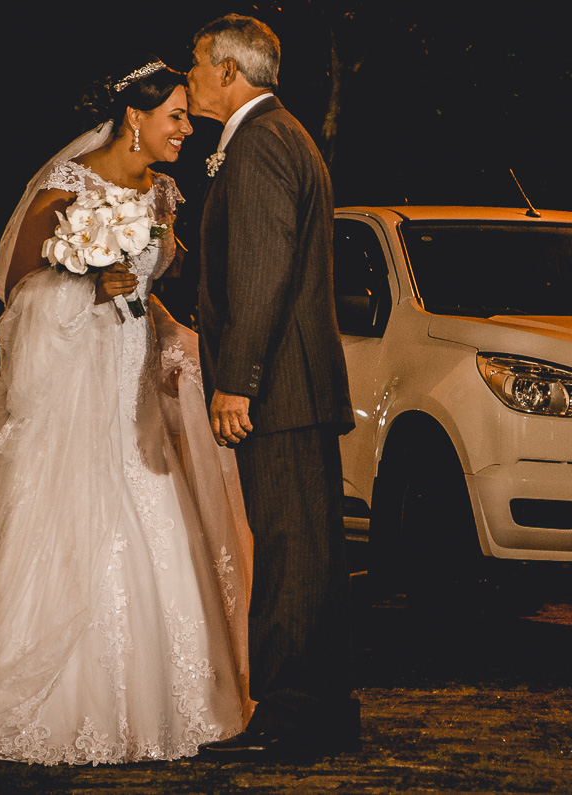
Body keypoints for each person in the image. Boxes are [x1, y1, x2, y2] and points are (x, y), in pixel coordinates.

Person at [0, 59, 254, 768]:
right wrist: (89, 281)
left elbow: (158, 276)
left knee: (152, 510)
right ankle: (34, 708)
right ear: (138, 117)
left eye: (189, 118)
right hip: (76, 378)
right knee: (64, 517)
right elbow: (16, 284)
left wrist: (169, 318)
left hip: (133, 380)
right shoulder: (69, 184)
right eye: (177, 117)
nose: (187, 129)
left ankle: (158, 706)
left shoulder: (163, 192)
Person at [187, 15, 358, 758]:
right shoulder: (287, 135)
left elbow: (260, 275)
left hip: (278, 387)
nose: (189, 78)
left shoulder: (257, 144)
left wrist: (236, 383)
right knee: (311, 553)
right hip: (301, 385)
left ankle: (288, 715)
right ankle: (324, 710)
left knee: (290, 550)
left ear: (231, 72)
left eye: (197, 64)